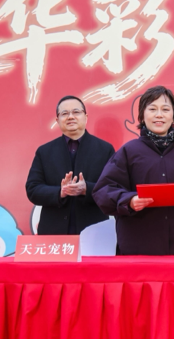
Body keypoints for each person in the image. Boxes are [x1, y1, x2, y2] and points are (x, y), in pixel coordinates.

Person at [93, 86, 174, 255]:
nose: (159, 115)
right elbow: (103, 190)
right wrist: (129, 200)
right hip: (138, 249)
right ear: (142, 115)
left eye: (165, 109)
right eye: (152, 109)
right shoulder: (128, 152)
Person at [26, 95, 115, 235]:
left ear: (85, 117)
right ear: (57, 120)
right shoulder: (44, 151)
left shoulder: (105, 149)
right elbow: (33, 190)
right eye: (64, 113)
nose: (70, 117)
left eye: (76, 112)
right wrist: (60, 192)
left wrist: (86, 189)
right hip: (53, 233)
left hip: (94, 233)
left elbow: (112, 189)